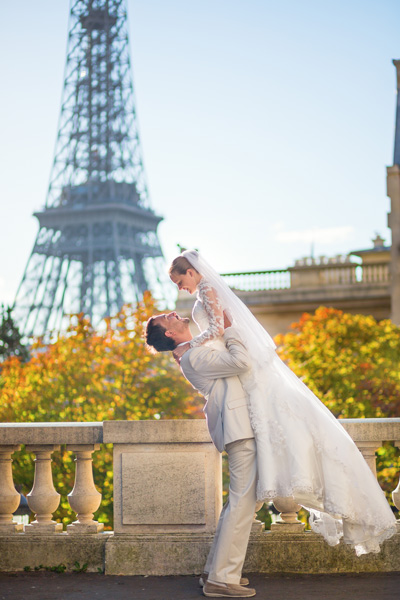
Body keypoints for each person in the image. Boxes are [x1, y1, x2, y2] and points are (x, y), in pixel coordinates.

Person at [167, 249, 397, 557]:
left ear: (192, 272)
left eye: (179, 280)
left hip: (239, 367)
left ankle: (222, 572)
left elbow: (218, 330)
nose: (179, 288)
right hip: (238, 375)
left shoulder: (206, 290)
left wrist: (188, 343)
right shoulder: (203, 298)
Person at [145, 311, 258, 598]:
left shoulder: (192, 352)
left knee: (239, 504)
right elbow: (241, 362)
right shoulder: (193, 357)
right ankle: (221, 579)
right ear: (169, 333)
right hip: (239, 430)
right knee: (242, 505)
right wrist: (230, 329)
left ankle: (215, 571)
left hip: (237, 428)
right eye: (165, 317)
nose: (173, 312)